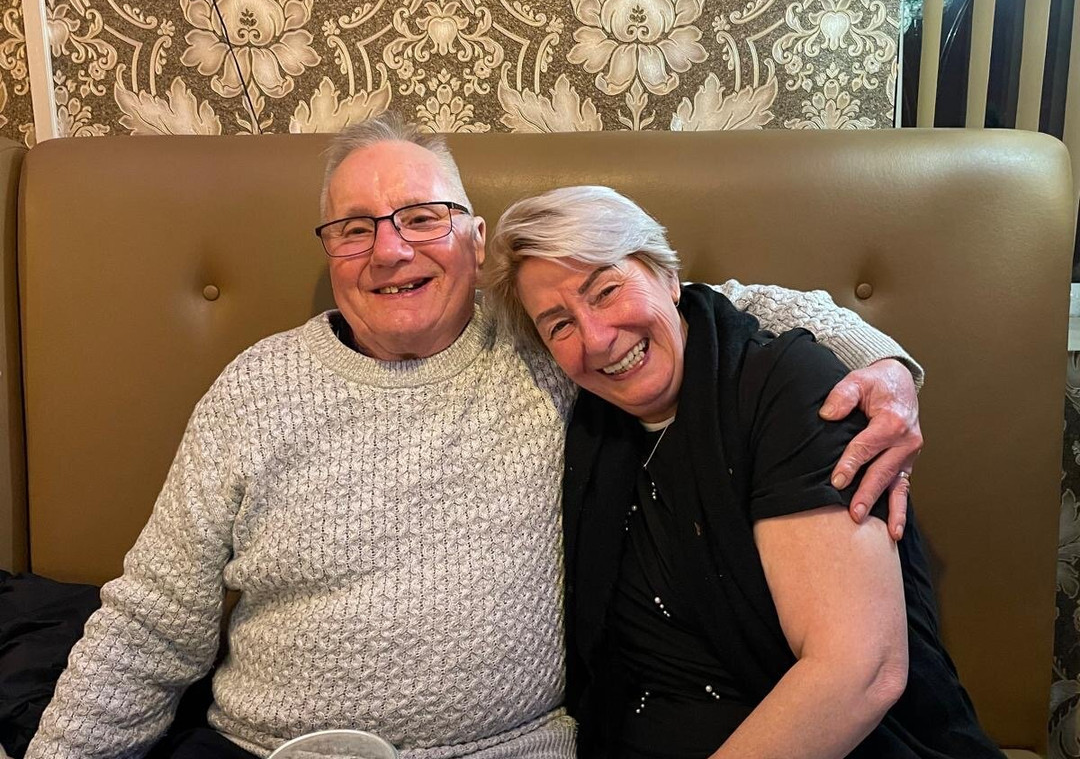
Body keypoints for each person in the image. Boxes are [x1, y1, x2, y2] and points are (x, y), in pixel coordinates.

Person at [26, 116, 921, 759]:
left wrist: (881, 363)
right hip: (269, 751)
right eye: (354, 229)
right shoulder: (256, 388)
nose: (390, 250)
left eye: (422, 217)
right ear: (330, 252)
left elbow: (702, 312)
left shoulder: (550, 343)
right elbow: (153, 625)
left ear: (474, 239)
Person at [484, 184, 1003, 759]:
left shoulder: (788, 389)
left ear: (667, 275)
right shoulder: (578, 416)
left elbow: (860, 671)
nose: (597, 339)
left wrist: (888, 361)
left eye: (606, 290)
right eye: (559, 325)